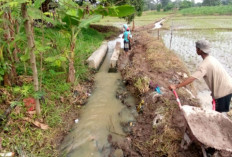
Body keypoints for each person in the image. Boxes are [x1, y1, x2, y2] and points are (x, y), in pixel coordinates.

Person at [169, 39, 232, 113]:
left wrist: (176, 86)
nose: (196, 50)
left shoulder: (204, 65)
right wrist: (215, 91)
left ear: (200, 50)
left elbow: (192, 79)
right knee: (219, 112)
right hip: (227, 87)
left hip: (223, 92)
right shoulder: (211, 59)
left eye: (197, 48)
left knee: (220, 115)